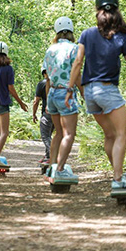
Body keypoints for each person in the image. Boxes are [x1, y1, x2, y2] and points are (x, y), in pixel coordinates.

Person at [66, 0, 126, 194]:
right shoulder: (122, 38)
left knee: (110, 134)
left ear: (97, 11)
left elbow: (77, 63)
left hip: (90, 94)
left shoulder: (87, 34)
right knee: (122, 134)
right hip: (107, 90)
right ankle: (118, 179)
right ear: (116, 11)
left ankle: (117, 174)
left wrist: (69, 89)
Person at [43, 16, 83, 182]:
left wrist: (47, 101)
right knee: (69, 134)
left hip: (52, 93)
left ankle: (52, 167)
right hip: (66, 93)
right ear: (71, 32)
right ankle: (60, 170)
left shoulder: (50, 50)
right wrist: (84, 94)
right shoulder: (75, 49)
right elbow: (77, 74)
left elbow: (47, 78)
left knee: (58, 133)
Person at [32, 69, 54, 166]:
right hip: (59, 112)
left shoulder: (41, 84)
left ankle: (52, 156)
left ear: (44, 74)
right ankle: (47, 156)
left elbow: (36, 101)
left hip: (47, 112)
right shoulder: (58, 82)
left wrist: (34, 114)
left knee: (45, 136)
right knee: (49, 135)